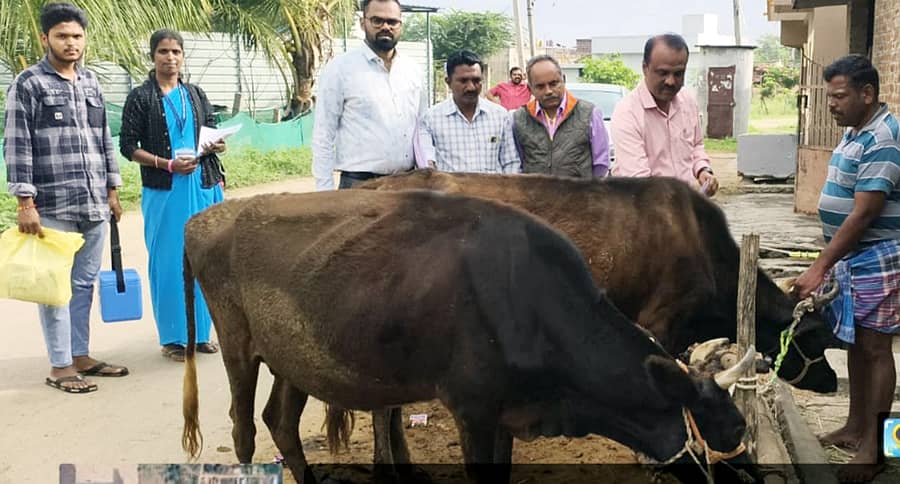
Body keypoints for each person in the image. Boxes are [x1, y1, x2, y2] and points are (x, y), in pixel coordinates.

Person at [4, 2, 128, 393]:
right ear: (46, 38)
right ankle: (60, 366)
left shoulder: (90, 83)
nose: (71, 43)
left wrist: (112, 190)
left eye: (76, 35)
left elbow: (104, 139)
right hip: (52, 205)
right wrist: (25, 202)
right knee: (55, 288)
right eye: (62, 36)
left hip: (93, 202)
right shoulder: (29, 83)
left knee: (83, 284)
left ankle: (80, 355)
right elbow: (18, 144)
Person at [792, 54, 900, 484]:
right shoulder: (856, 131)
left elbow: (865, 212)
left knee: (877, 349)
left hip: (879, 254)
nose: (831, 105)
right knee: (857, 344)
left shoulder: (884, 137)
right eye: (829, 97)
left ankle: (876, 449)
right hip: (855, 258)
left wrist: (820, 266)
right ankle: (855, 428)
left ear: (867, 93)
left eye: (839, 97)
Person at [119, 29, 226, 362]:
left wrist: (217, 144)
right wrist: (166, 164)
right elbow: (128, 146)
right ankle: (174, 339)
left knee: (205, 257)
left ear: (183, 56)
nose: (170, 58)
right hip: (165, 189)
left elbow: (211, 129)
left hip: (202, 184)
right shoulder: (141, 97)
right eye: (163, 51)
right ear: (152, 56)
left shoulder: (195, 93)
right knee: (169, 261)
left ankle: (201, 334)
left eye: (176, 51)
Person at [312, 0, 426, 190]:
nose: (385, 27)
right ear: (362, 23)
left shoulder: (413, 70)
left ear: (401, 25)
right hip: (359, 186)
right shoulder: (340, 69)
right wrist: (325, 192)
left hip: (406, 185)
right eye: (377, 21)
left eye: (392, 21)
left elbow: (422, 126)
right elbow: (323, 135)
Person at [611, 33, 718, 196]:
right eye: (663, 73)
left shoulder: (688, 102)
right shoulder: (627, 114)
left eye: (678, 74)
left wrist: (703, 170)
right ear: (645, 68)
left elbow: (696, 145)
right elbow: (640, 183)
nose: (671, 81)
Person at [414, 50, 520, 174]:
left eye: (476, 80)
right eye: (463, 81)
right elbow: (427, 164)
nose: (471, 87)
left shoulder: (500, 116)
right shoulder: (431, 119)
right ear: (448, 82)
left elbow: (511, 163)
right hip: (449, 187)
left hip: (493, 187)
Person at [512, 55, 609, 178]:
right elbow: (519, 162)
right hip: (535, 190)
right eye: (540, 86)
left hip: (580, 190)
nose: (548, 91)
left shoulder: (589, 113)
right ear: (530, 89)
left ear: (563, 80)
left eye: (553, 84)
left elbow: (601, 164)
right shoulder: (520, 118)